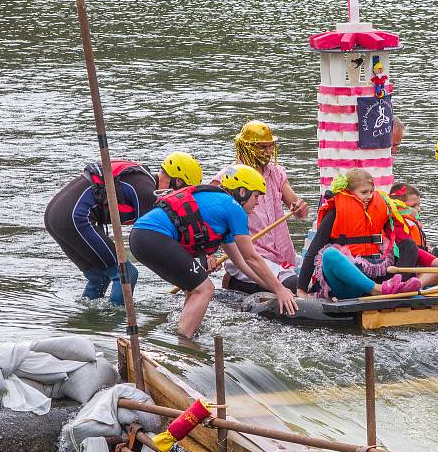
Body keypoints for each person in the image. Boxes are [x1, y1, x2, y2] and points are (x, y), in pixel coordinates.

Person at [130, 164, 298, 338]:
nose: (257, 202)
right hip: (151, 236)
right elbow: (252, 257)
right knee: (205, 289)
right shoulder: (234, 208)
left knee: (194, 288)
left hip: (141, 237)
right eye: (256, 196)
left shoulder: (222, 208)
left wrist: (270, 287)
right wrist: (279, 289)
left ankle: (184, 333)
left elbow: (241, 262)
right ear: (242, 192)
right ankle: (185, 343)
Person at [45, 152, 202, 305]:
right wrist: (188, 275)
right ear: (178, 183)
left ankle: (90, 325)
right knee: (126, 274)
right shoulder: (146, 191)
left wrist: (199, 259)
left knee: (98, 276)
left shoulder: (141, 178)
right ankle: (115, 323)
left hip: (54, 216)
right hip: (75, 217)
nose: (181, 199)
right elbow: (154, 243)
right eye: (182, 194)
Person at [212, 120, 309, 294]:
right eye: (262, 148)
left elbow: (297, 208)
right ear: (246, 147)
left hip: (282, 252)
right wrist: (209, 254)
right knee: (294, 284)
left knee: (313, 275)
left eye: (270, 147)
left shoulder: (276, 173)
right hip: (250, 256)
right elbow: (210, 218)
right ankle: (236, 282)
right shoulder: (227, 178)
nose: (268, 152)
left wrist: (300, 207)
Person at [297, 169, 421, 300]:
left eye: (371, 192)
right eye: (363, 192)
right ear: (349, 192)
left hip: (376, 273)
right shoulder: (335, 212)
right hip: (348, 284)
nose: (369, 196)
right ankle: (377, 290)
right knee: (329, 254)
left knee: (409, 245)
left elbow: (397, 240)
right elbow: (312, 252)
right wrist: (301, 289)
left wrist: (432, 259)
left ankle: (396, 286)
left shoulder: (379, 208)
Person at [388, 182, 438, 286]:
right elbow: (414, 250)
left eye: (419, 204)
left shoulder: (411, 221)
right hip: (408, 268)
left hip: (419, 266)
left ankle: (420, 286)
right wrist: (437, 262)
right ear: (398, 207)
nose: (419, 209)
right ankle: (415, 285)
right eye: (413, 206)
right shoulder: (395, 225)